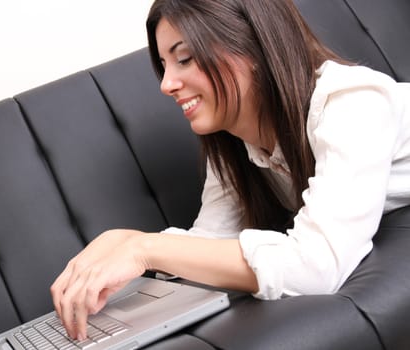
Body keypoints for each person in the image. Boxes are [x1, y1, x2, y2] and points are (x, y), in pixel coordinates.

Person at [50, 0, 410, 341]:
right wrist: (121, 243)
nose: (166, 84)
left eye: (185, 59)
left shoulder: (353, 103)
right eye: (164, 65)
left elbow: (318, 265)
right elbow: (211, 239)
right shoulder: (235, 146)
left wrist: (144, 248)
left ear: (251, 47)